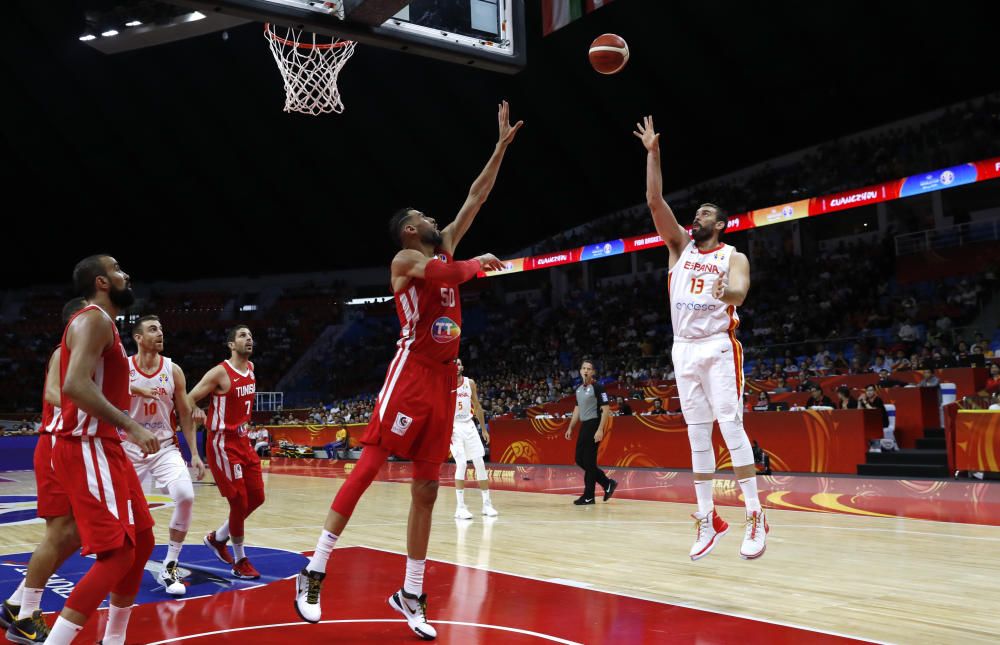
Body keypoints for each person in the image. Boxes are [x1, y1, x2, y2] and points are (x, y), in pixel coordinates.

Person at [293, 101, 521, 640]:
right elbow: (452, 270)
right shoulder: (407, 262)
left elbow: (476, 197)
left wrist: (500, 148)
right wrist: (476, 262)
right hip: (411, 372)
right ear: (411, 229)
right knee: (369, 467)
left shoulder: (443, 252)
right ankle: (314, 569)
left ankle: (411, 592)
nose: (438, 220)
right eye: (427, 218)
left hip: (445, 381)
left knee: (427, 490)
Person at [636, 115, 767, 561]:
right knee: (696, 435)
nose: (698, 216)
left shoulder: (734, 255)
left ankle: (755, 513)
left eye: (707, 213)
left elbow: (740, 293)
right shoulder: (679, 248)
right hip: (683, 349)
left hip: (717, 345)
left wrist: (722, 290)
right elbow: (655, 201)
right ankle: (708, 518)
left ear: (723, 224)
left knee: (730, 427)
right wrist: (653, 153)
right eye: (697, 213)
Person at [46, 255, 159, 645]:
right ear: (102, 281)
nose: (126, 273)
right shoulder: (93, 319)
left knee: (142, 539)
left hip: (104, 444)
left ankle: (113, 639)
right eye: (118, 269)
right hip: (87, 444)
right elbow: (75, 384)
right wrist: (131, 425)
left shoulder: (102, 323)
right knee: (119, 554)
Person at [2, 299, 85, 642]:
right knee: (59, 533)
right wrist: (95, 404)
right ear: (76, 322)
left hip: (73, 447)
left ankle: (16, 602)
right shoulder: (62, 351)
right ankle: (25, 618)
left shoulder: (84, 353)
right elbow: (54, 391)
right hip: (55, 445)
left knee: (76, 534)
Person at [125, 315, 206, 596]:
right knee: (127, 515)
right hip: (128, 448)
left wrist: (195, 453)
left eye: (161, 329)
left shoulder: (173, 370)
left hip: (164, 447)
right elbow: (102, 397)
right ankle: (121, 566)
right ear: (138, 337)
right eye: (152, 329)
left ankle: (170, 564)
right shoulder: (122, 368)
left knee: (185, 496)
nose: (160, 333)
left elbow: (185, 414)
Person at [189, 325, 265, 580]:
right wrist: (197, 409)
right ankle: (240, 560)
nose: (249, 339)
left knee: (257, 497)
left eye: (251, 336)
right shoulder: (220, 373)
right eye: (243, 335)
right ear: (231, 344)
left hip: (243, 440)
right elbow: (189, 397)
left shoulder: (251, 369)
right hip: (223, 443)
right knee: (239, 501)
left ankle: (217, 538)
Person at [563, 359, 616, 505]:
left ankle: (589, 496)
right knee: (580, 459)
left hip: (594, 424)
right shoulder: (579, 389)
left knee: (589, 461)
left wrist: (600, 429)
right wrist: (571, 427)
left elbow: (606, 410)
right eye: (584, 368)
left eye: (589, 368)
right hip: (584, 425)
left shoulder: (598, 387)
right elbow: (577, 410)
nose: (586, 370)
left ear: (593, 372)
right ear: (580, 371)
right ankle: (607, 483)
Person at [451, 358, 497, 519]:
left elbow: (477, 406)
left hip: (469, 424)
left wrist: (484, 429)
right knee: (462, 463)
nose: (456, 366)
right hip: (453, 427)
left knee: (480, 462)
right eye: (453, 363)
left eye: (458, 363)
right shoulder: (443, 384)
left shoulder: (469, 383)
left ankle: (487, 504)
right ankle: (460, 507)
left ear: (462, 367)